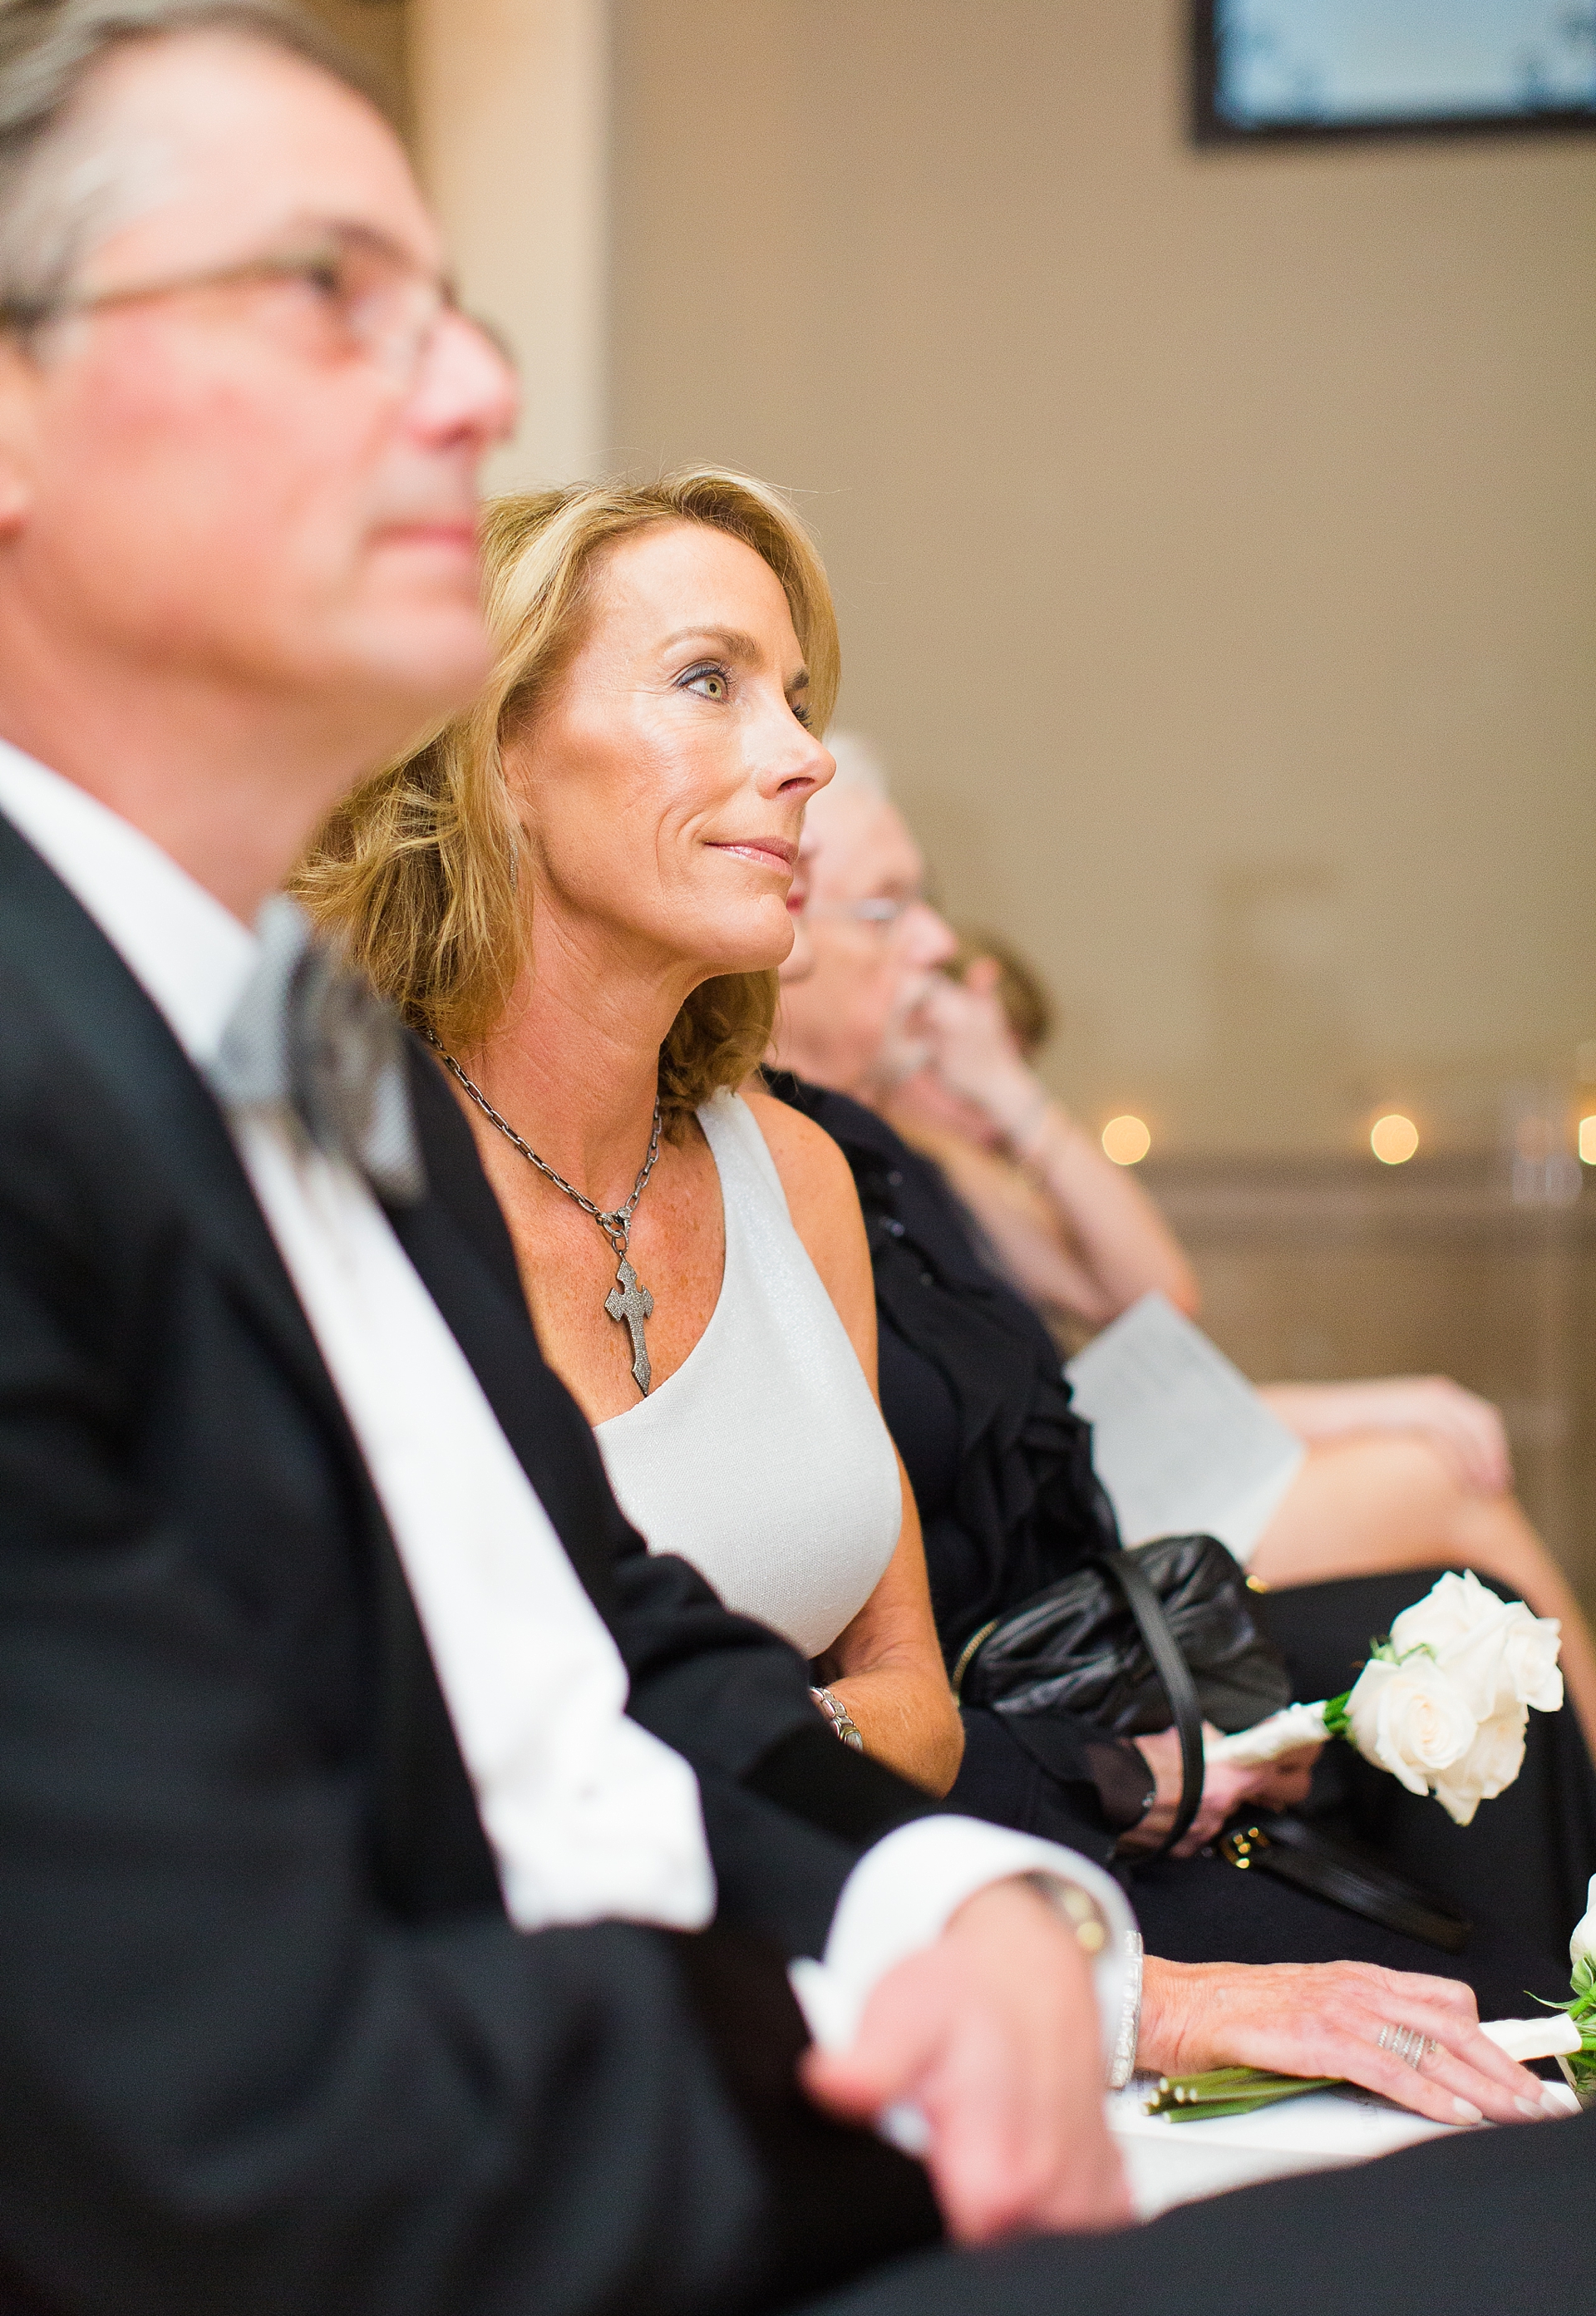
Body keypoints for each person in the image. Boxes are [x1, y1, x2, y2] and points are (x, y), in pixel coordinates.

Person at [0, 0, 1587, 2316]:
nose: (476, 386)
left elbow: (632, 1653)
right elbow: (221, 2117)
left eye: (449, 303)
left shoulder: (286, 1048)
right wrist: (925, 2073)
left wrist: (977, 1913)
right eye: (328, 292)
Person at [304, 471, 1575, 2056]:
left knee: (1489, 1998)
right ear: (492, 753)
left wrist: (758, 1755)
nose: (802, 756)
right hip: (571, 2028)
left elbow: (910, 1688)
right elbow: (450, 1781)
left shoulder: (803, 1177)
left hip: (864, 1908)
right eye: (710, 682)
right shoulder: (351, 1200)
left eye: (797, 697)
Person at [777, 740, 1596, 1756]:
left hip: (1106, 1476)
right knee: (1442, 1483)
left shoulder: (922, 1154)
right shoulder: (816, 1160)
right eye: (890, 907)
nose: (933, 947)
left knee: (1440, 1485)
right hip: (1077, 1529)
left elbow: (1149, 1295)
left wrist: (1010, 1096)